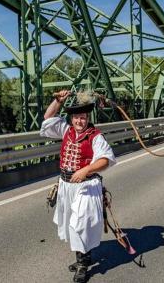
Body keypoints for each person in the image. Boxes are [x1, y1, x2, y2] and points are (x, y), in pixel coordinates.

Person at [40, 90, 116, 282]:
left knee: (79, 225)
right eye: (76, 117)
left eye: (82, 118)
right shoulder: (66, 130)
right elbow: (48, 118)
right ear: (72, 118)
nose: (79, 121)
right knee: (69, 223)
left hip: (86, 186)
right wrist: (58, 100)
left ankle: (82, 264)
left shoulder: (95, 136)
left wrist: (86, 170)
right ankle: (84, 256)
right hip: (66, 185)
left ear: (87, 118)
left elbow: (106, 160)